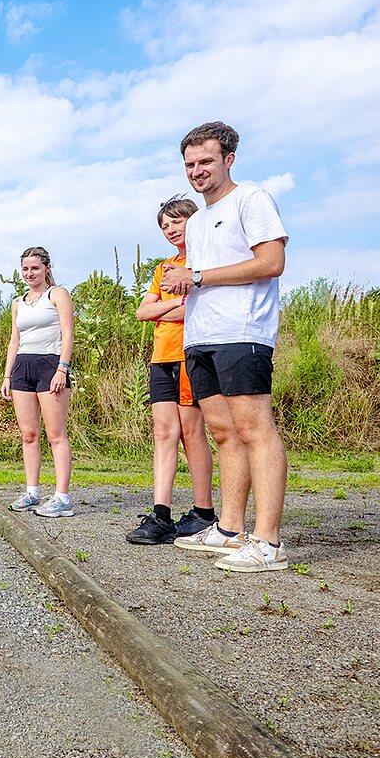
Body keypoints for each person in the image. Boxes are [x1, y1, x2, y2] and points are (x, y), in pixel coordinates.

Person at [161, 121, 290, 572]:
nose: (197, 170)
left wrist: (197, 276)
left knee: (255, 430)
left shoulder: (251, 199)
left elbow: (271, 262)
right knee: (223, 433)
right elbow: (197, 280)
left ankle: (268, 542)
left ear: (228, 159)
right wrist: (184, 285)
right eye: (190, 164)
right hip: (200, 336)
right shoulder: (196, 222)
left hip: (243, 331)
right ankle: (230, 529)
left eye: (206, 161)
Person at [127, 196, 216, 544]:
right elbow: (142, 312)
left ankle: (204, 512)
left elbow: (198, 307)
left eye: (176, 221)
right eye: (165, 225)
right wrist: (178, 302)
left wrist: (168, 307)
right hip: (161, 357)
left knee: (192, 432)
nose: (171, 229)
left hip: (189, 354)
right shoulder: (164, 269)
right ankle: (161, 515)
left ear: (194, 220)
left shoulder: (205, 263)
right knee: (164, 432)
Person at [0, 247, 75, 517]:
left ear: (47, 268)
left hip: (50, 365)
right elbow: (14, 340)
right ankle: (32, 493)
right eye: (25, 269)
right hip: (23, 367)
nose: (29, 273)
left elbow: (68, 333)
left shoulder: (58, 294)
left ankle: (62, 498)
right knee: (29, 435)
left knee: (56, 435)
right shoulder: (18, 303)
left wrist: (62, 369)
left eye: (35, 268)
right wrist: (7, 375)